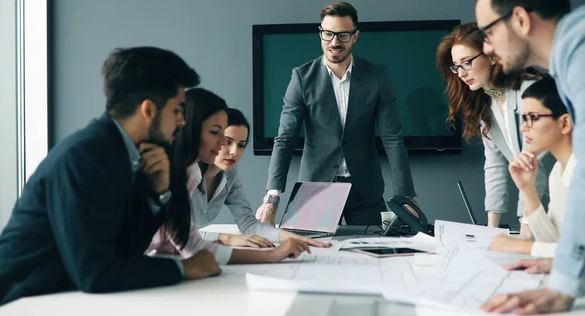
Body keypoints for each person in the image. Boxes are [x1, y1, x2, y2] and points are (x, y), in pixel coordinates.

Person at [0, 47, 221, 311]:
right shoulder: (85, 157)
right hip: (11, 304)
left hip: (56, 300)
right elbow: (95, 273)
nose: (181, 121)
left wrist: (157, 192)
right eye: (177, 110)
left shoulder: (127, 153)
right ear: (148, 110)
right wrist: (183, 268)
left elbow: (126, 252)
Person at [256, 1, 418, 227]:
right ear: (320, 33)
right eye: (328, 34)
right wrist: (272, 196)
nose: (334, 42)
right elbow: (285, 138)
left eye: (343, 35)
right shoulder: (302, 78)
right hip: (315, 190)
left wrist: (405, 196)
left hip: (365, 191)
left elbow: (392, 139)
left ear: (355, 36)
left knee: (372, 257)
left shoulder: (376, 76)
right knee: (308, 257)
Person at [474, 0, 584, 313]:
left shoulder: (579, 49)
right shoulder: (566, 64)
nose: (487, 47)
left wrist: (563, 285)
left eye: (488, 32)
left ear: (521, 19)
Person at [147, 88, 313, 265]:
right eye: (216, 133)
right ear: (190, 127)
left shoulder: (213, 174)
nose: (227, 147)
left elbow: (185, 239)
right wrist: (267, 253)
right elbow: (189, 243)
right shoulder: (172, 170)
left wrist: (291, 238)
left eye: (241, 145)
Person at [436, 22, 553, 229]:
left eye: (467, 63)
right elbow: (495, 167)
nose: (461, 74)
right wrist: (490, 231)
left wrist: (526, 226)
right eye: (456, 66)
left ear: (491, 55)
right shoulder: (486, 108)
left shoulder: (530, 91)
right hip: (550, 200)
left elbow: (534, 164)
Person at [190, 108, 330, 248]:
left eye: (241, 145)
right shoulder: (186, 172)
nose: (234, 152)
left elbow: (249, 225)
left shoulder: (230, 175)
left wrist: (294, 238)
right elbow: (175, 232)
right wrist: (228, 239)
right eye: (228, 141)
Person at [490, 76, 574, 257]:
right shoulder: (558, 173)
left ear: (565, 123)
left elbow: (577, 255)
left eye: (533, 118)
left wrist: (521, 247)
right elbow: (553, 242)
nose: (523, 128)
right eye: (523, 118)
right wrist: (528, 190)